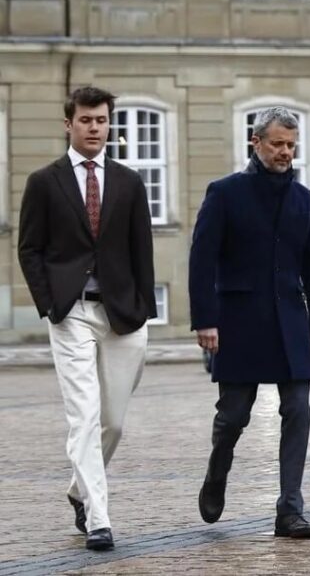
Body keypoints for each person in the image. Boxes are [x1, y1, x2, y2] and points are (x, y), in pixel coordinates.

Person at [17, 86, 155, 551]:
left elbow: (142, 251)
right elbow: (29, 248)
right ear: (69, 124)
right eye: (86, 120)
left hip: (122, 313)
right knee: (84, 416)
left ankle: (78, 491)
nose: (94, 127)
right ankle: (99, 518)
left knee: (113, 422)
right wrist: (50, 303)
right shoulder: (44, 182)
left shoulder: (130, 182)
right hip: (71, 311)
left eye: (101, 120)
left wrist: (142, 309)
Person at [189, 106, 310, 538]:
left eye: (291, 145)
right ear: (256, 143)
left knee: (298, 410)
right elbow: (201, 260)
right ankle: (217, 473)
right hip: (239, 322)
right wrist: (205, 321)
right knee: (233, 416)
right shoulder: (225, 193)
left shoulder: (304, 199)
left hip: (290, 320)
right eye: (277, 144)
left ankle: (290, 509)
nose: (285, 152)